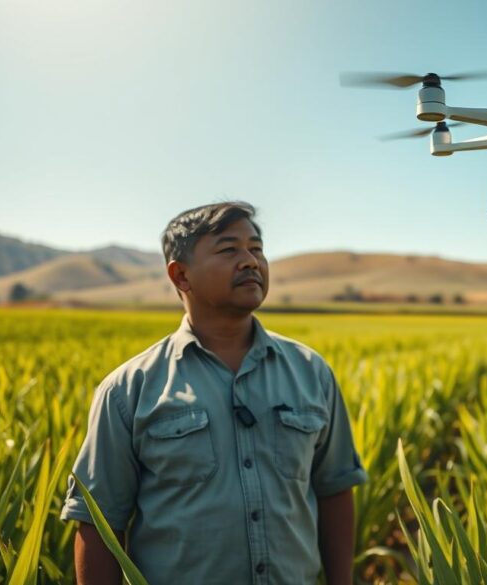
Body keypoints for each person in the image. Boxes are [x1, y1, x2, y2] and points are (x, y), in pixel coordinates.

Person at [60, 202, 367, 584]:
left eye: (256, 249)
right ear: (181, 275)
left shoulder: (311, 372)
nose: (250, 261)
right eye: (228, 250)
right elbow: (98, 522)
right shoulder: (129, 390)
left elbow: (335, 489)